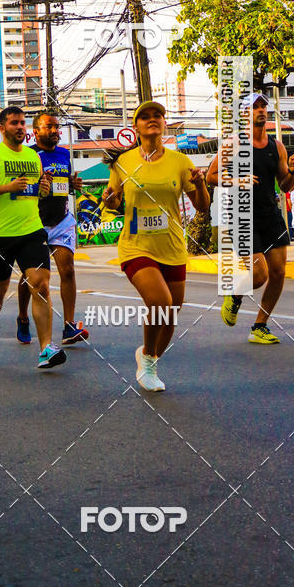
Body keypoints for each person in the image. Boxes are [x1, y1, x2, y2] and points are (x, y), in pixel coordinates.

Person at [102, 101, 209, 392]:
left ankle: (149, 357)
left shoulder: (180, 161)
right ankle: (148, 360)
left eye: (157, 115)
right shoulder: (123, 162)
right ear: (136, 127)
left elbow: (201, 206)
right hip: (137, 245)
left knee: (171, 314)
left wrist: (200, 185)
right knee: (160, 303)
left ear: (164, 123)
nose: (153, 120)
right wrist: (111, 201)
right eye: (145, 116)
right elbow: (113, 201)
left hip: (173, 246)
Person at [0, 106, 66, 369]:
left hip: (31, 231)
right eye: (13, 123)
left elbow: (31, 193)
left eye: (22, 123)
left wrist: (43, 189)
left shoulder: (34, 158)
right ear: (2, 128)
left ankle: (46, 348)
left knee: (41, 284)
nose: (19, 127)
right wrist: (6, 187)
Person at [208, 93, 294, 345]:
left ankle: (259, 326)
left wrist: (292, 172)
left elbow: (284, 186)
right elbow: (211, 176)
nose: (260, 110)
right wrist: (237, 180)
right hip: (243, 217)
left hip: (270, 215)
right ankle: (235, 294)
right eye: (254, 107)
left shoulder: (277, 147)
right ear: (244, 114)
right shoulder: (234, 144)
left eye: (263, 106)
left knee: (279, 273)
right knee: (259, 275)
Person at [16, 112, 87, 346]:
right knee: (31, 278)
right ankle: (23, 317)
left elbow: (64, 185)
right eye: (49, 127)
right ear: (35, 132)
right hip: (34, 223)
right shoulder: (27, 155)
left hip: (61, 220)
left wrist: (72, 184)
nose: (55, 131)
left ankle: (68, 326)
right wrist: (39, 185)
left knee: (67, 271)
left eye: (57, 127)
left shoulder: (65, 154)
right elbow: (20, 189)